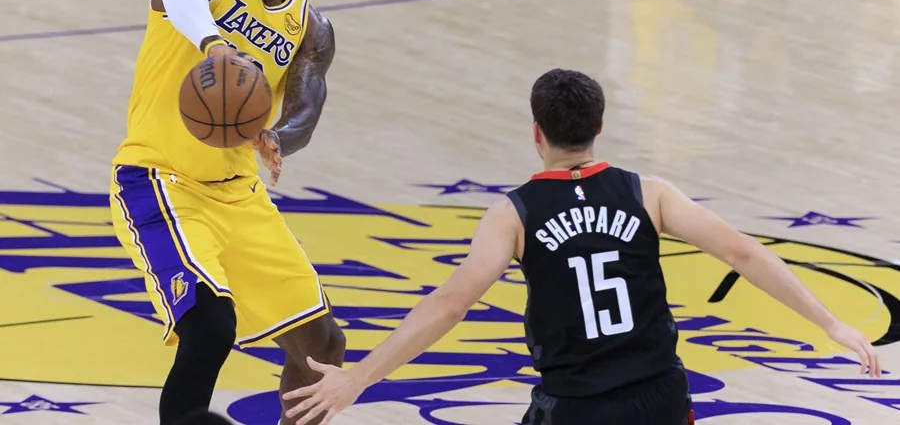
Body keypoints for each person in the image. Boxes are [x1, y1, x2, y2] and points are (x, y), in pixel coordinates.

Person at [281, 68, 882, 425]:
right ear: (598, 128)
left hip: (578, 406)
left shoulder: (514, 213)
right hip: (659, 396)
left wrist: (359, 378)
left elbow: (451, 304)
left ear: (537, 133)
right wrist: (831, 323)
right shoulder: (649, 194)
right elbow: (743, 254)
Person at [109, 0, 345, 425]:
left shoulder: (311, 27)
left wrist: (277, 136)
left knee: (322, 347)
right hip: (160, 180)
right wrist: (213, 43)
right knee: (211, 327)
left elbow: (306, 110)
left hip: (237, 195)